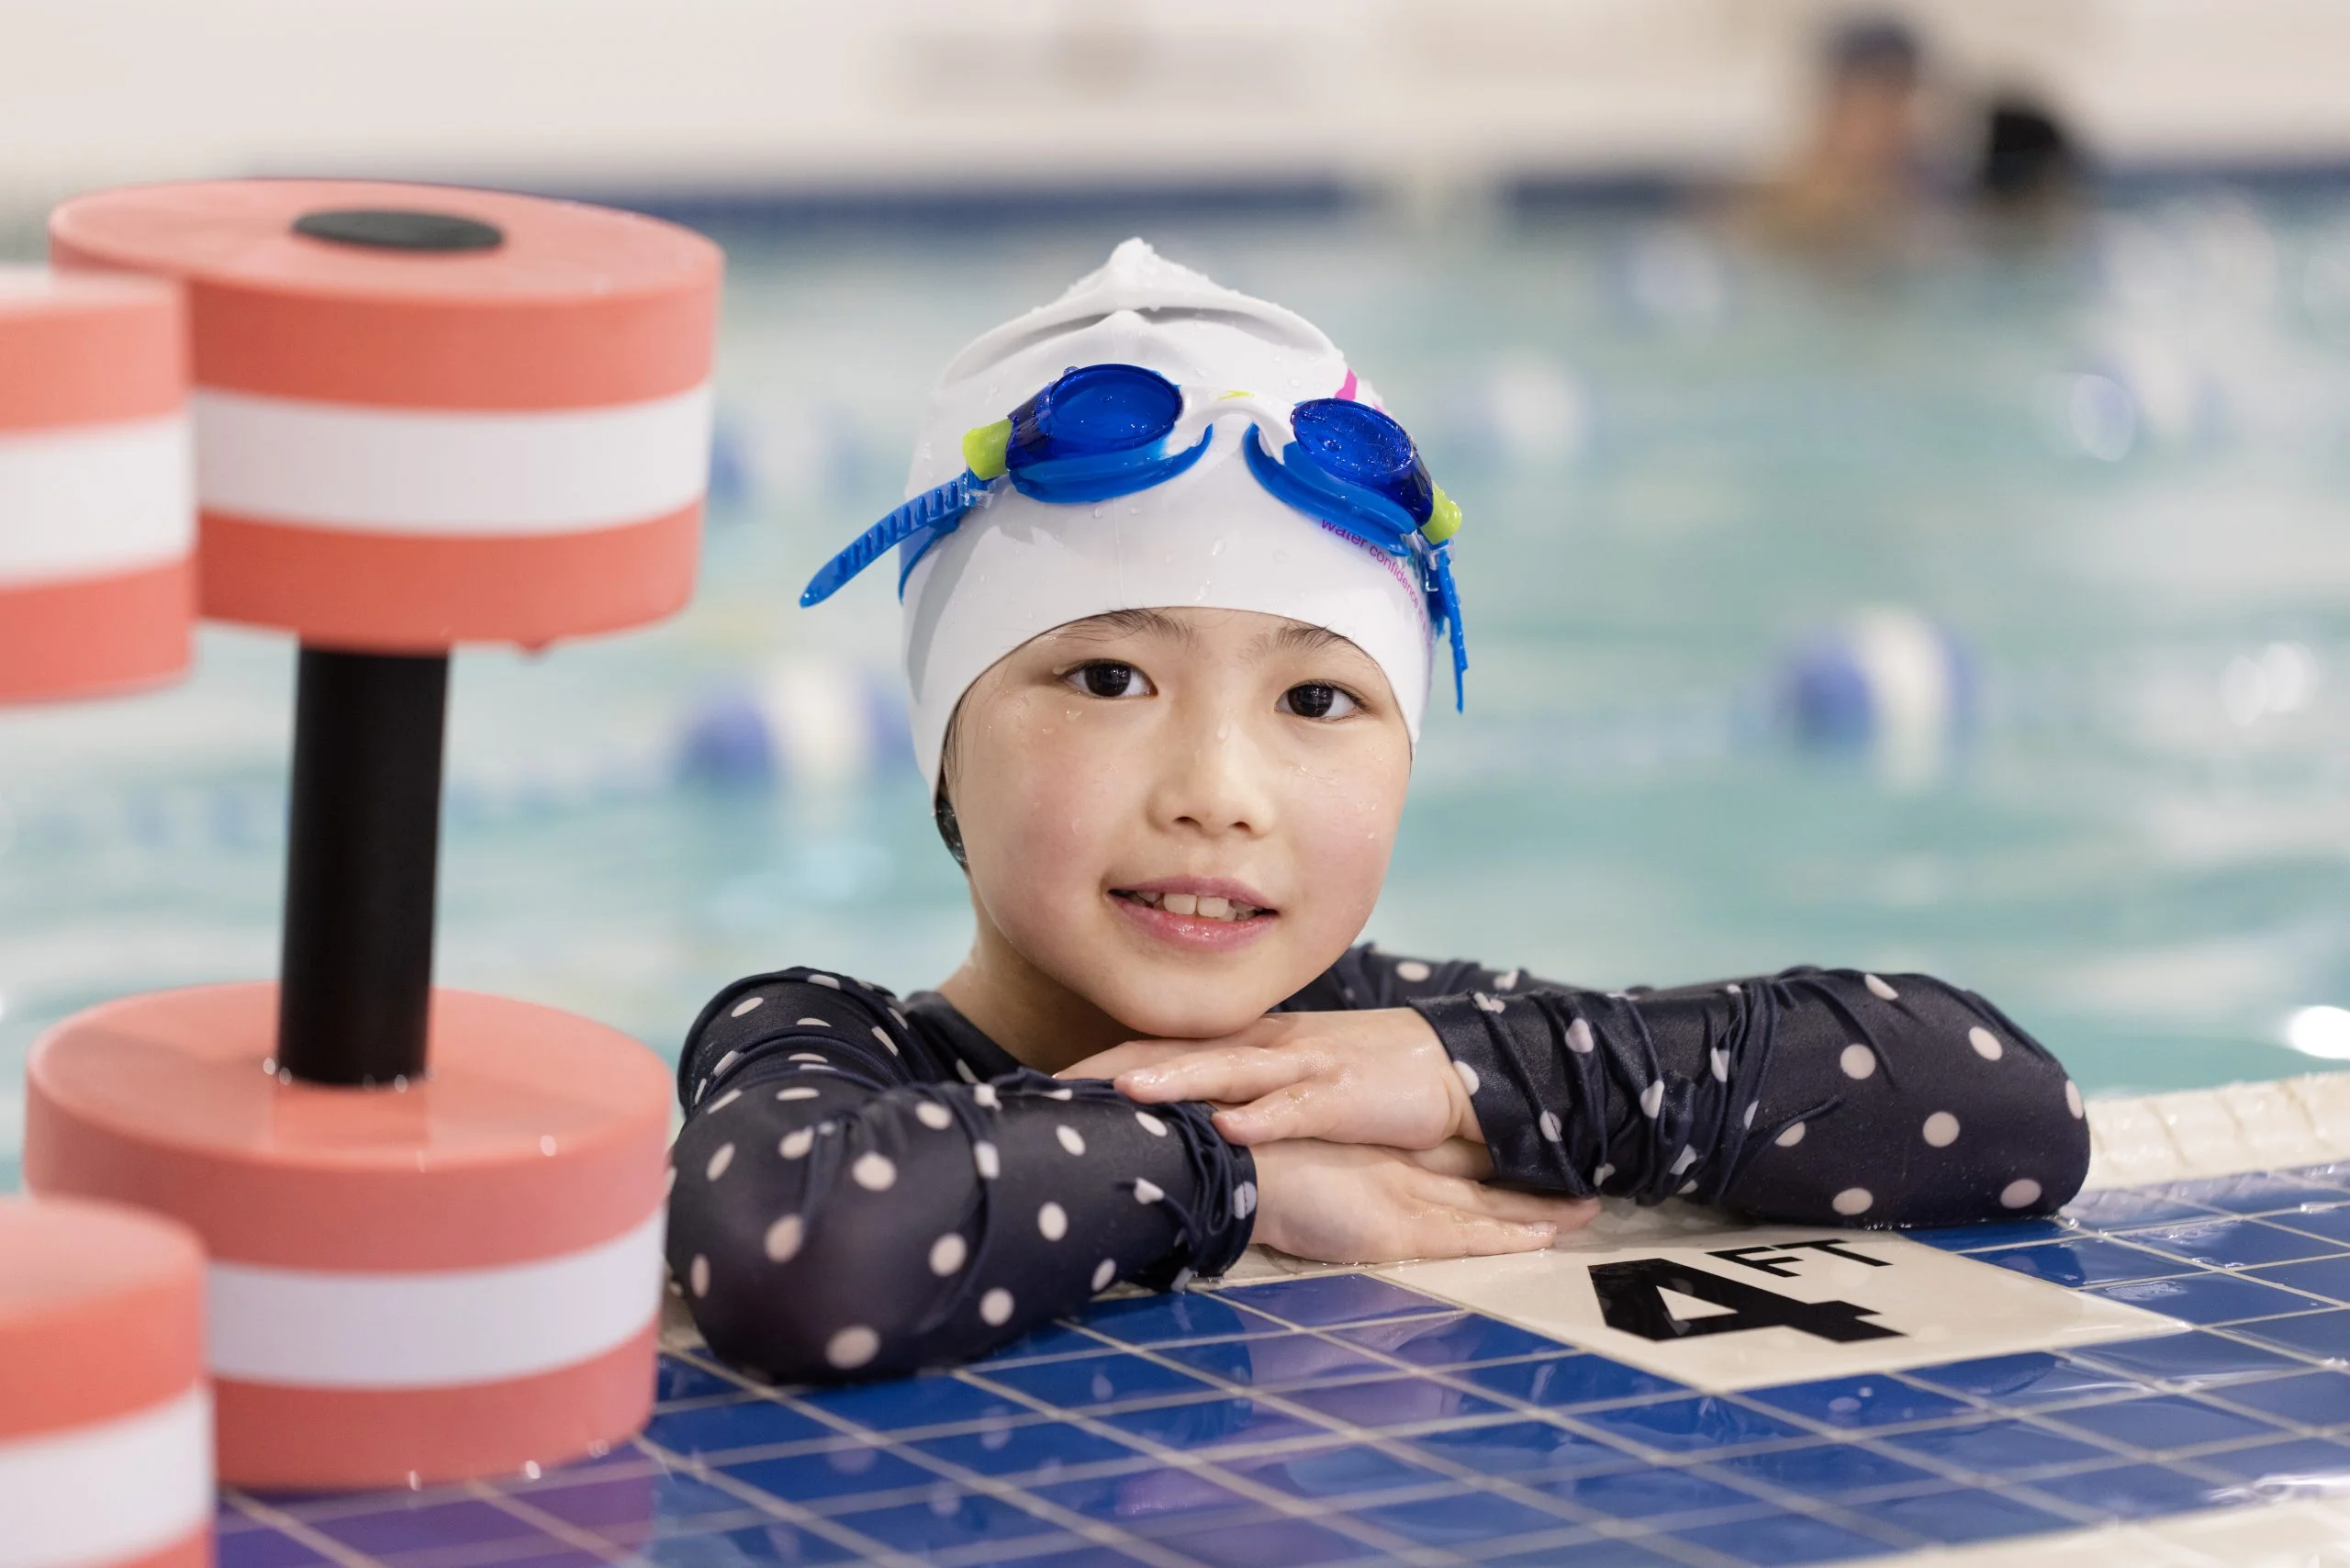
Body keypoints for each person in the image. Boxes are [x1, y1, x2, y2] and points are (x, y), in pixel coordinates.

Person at [665, 241, 2090, 1383]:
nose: (1218, 796)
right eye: (1108, 676)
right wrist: (1231, 1177)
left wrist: (1484, 1078)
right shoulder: (829, 1046)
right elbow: (804, 1255)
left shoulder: (1385, 1049)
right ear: (940, 749)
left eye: (1317, 702)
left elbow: (2008, 1112)